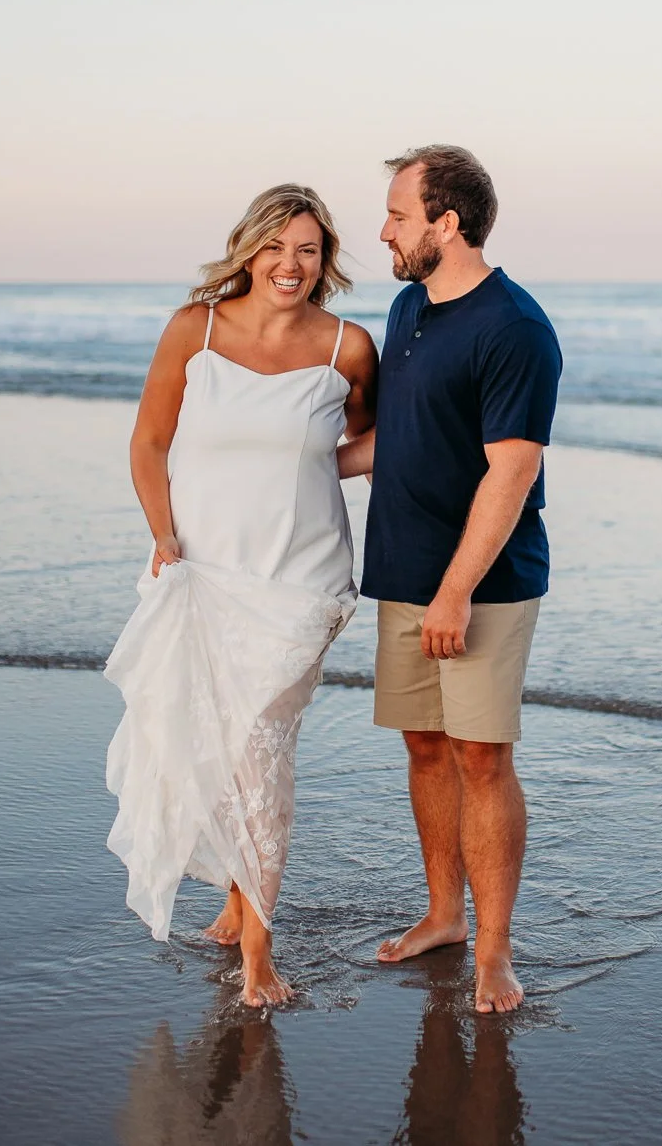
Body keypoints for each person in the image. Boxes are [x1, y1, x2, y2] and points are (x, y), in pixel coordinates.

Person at [104, 183, 378, 1007]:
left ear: (325, 258)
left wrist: (303, 470)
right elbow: (149, 441)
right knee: (215, 739)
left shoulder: (348, 348)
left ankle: (259, 941)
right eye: (275, 247)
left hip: (302, 578)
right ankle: (235, 897)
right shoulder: (197, 327)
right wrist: (162, 533)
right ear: (248, 248)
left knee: (260, 747)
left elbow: (375, 437)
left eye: (307, 249)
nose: (290, 265)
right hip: (201, 569)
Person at [335, 145, 563, 1014]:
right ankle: (443, 915)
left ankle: (496, 950)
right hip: (401, 569)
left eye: (397, 214)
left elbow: (509, 473)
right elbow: (397, 436)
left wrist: (457, 589)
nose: (384, 230)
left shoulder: (515, 328)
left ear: (446, 222)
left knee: (481, 755)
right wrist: (289, 463)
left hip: (482, 585)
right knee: (424, 747)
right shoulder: (407, 307)